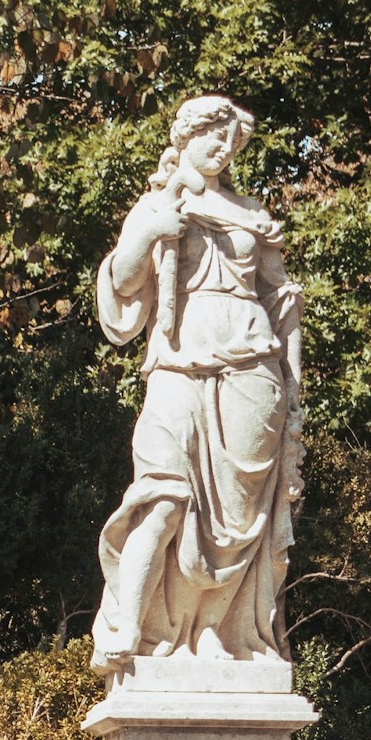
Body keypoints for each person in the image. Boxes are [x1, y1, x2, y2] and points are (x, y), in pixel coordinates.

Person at [92, 94, 303, 670]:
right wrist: (150, 233)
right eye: (211, 134)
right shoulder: (160, 203)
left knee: (234, 524)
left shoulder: (251, 212)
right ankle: (129, 627)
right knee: (162, 497)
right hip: (178, 362)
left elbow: (282, 301)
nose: (221, 146)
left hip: (251, 368)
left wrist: (295, 388)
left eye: (229, 139)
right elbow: (123, 289)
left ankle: (213, 632)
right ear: (185, 137)